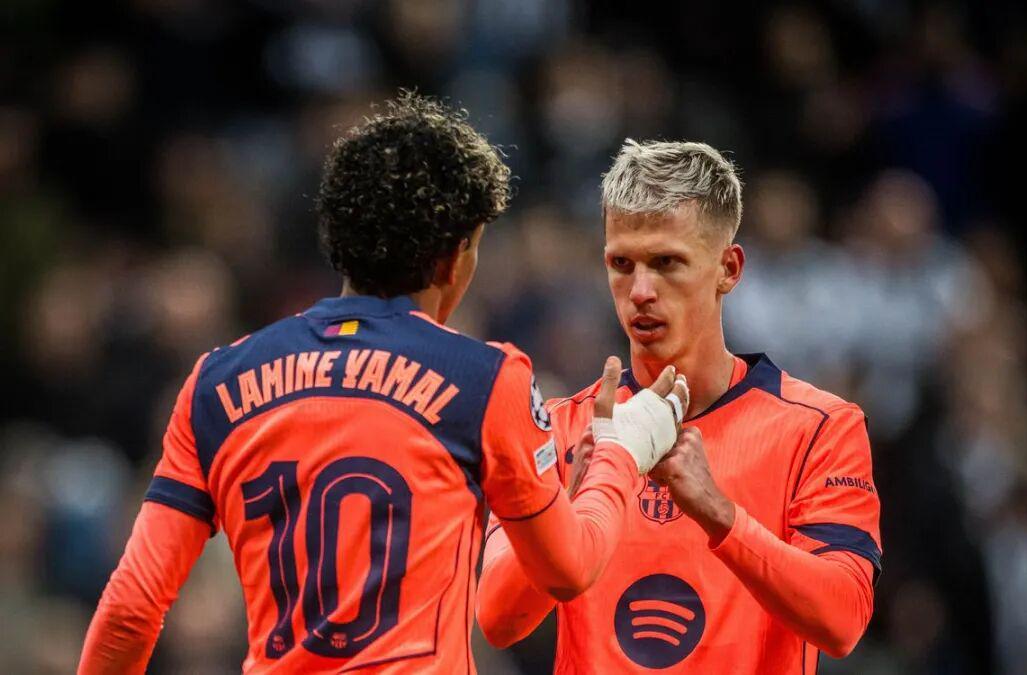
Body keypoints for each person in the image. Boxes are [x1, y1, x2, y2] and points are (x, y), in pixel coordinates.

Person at [77, 95, 688, 674]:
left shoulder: (216, 382)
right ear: (455, 257)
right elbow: (567, 569)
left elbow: (131, 609)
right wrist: (622, 452)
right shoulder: (484, 378)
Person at [476, 140, 882, 673]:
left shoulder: (819, 428)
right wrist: (568, 506)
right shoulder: (557, 428)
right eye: (622, 264)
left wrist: (718, 513)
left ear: (728, 268)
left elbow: (843, 620)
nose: (641, 290)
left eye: (667, 262)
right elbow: (497, 620)